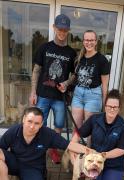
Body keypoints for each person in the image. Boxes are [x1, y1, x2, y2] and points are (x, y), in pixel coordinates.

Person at [29, 14, 76, 163]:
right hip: (42, 95)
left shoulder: (71, 53)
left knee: (59, 125)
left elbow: (74, 75)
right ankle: (36, 148)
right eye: (59, 29)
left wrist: (67, 84)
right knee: (37, 123)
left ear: (68, 31)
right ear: (54, 28)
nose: (62, 32)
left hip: (59, 98)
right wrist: (32, 92)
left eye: (65, 30)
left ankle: (52, 149)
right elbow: (36, 70)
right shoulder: (44, 47)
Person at [0, 107, 88, 180]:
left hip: (33, 168)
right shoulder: (13, 131)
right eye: (29, 121)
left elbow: (70, 145)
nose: (32, 126)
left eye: (36, 123)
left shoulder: (47, 134)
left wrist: (92, 152)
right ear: (23, 119)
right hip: (14, 162)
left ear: (41, 124)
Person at [70, 89, 124, 180]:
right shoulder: (94, 119)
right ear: (105, 106)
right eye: (109, 106)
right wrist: (72, 151)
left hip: (113, 165)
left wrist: (102, 156)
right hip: (93, 161)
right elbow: (78, 134)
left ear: (119, 108)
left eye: (115, 107)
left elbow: (121, 150)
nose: (112, 109)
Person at [71, 30, 110, 129]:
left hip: (93, 96)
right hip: (78, 95)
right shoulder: (79, 59)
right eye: (86, 40)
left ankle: (89, 145)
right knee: (76, 127)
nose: (89, 43)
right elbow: (74, 77)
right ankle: (74, 144)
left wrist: (105, 104)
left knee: (91, 129)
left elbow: (105, 85)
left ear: (96, 41)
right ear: (83, 42)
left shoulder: (102, 60)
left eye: (91, 40)